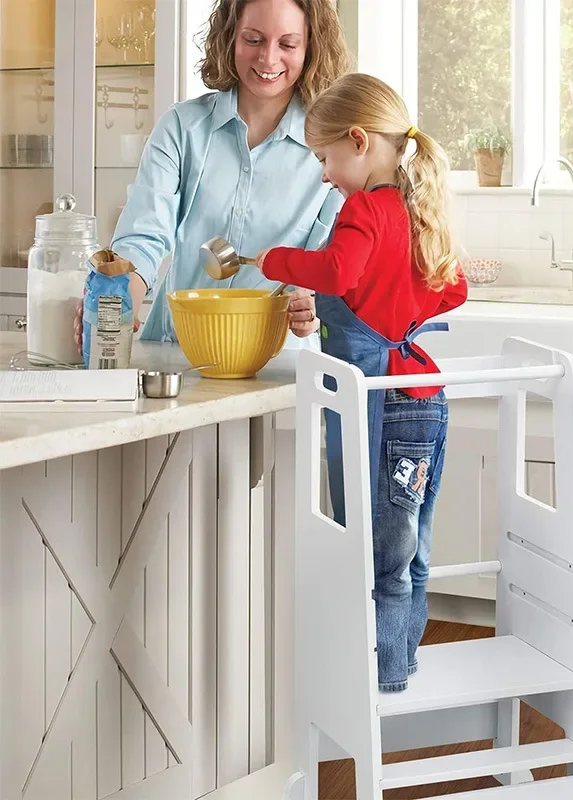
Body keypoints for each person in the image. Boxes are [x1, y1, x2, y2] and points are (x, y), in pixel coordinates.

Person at [256, 73, 468, 692]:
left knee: (378, 548)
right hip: (422, 401)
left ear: (357, 142)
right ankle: (402, 662)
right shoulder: (415, 209)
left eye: (324, 158)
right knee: (412, 545)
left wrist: (276, 259)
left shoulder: (365, 209)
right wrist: (398, 319)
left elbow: (338, 271)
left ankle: (378, 682)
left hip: (381, 405)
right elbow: (451, 287)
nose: (324, 174)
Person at [75, 0, 351, 347]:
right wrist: (115, 299)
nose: (268, 59)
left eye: (287, 44)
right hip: (176, 350)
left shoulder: (330, 148)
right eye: (253, 39)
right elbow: (143, 235)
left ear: (311, 48)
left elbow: (334, 263)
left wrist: (313, 305)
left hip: (275, 363)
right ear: (230, 37)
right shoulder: (182, 127)